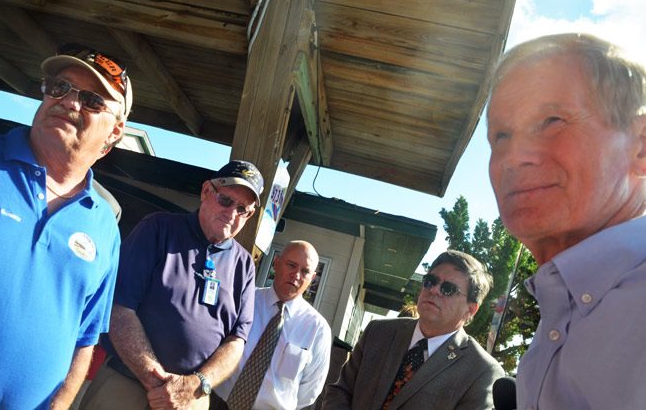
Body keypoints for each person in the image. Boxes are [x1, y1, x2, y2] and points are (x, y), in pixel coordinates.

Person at [487, 33, 646, 409]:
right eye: (500, 135)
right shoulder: (560, 316)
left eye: (551, 121)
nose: (513, 156)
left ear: (640, 145)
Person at [0, 45, 132, 409]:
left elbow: (85, 338)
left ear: (115, 132)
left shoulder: (104, 226)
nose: (70, 102)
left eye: (91, 100)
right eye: (60, 88)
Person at [79, 160, 264, 409]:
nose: (231, 213)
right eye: (226, 200)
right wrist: (157, 382)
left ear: (250, 215)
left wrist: (196, 384)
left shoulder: (244, 265)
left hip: (192, 397)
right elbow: (118, 307)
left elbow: (236, 340)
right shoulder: (158, 228)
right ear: (206, 192)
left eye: (242, 209)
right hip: (127, 381)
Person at [322, 250, 504, 410]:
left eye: (448, 289)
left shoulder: (482, 371)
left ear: (471, 309)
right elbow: (340, 391)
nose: (434, 290)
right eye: (430, 281)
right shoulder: (378, 332)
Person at [212, 240, 332, 410]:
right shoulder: (244, 299)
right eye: (291, 265)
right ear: (276, 263)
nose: (296, 275)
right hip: (217, 402)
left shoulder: (317, 330)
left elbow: (309, 391)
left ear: (312, 279)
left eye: (305, 271)